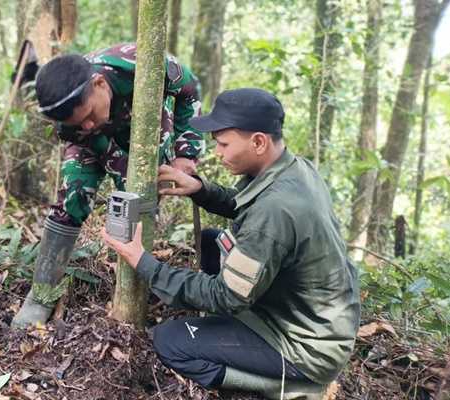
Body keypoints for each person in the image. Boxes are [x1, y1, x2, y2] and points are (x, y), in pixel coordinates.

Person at [101, 88, 360, 399]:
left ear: (259, 142)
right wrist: (200, 190)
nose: (218, 153)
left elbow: (226, 296)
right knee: (211, 241)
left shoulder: (274, 211)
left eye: (224, 144)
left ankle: (293, 386)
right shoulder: (293, 170)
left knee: (169, 342)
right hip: (312, 320)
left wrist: (144, 263)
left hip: (306, 347)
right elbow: (248, 204)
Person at [12, 43, 204, 328]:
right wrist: (115, 163)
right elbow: (87, 137)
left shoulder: (138, 64)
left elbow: (190, 91)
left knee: (138, 204)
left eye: (89, 114)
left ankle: (136, 289)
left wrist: (186, 154)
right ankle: (40, 295)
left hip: (147, 126)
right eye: (80, 121)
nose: (87, 123)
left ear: (99, 83)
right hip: (96, 145)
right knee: (70, 199)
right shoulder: (66, 116)